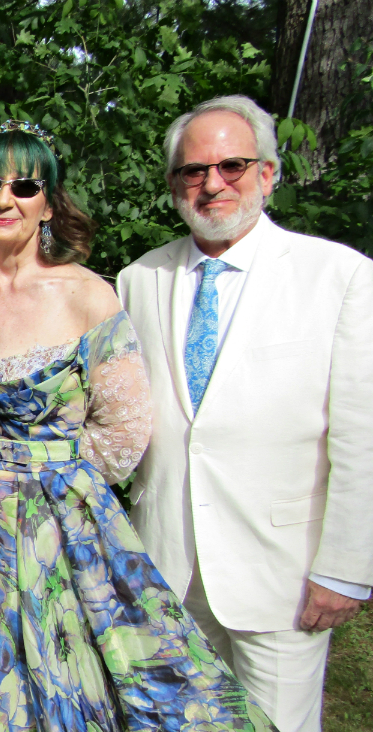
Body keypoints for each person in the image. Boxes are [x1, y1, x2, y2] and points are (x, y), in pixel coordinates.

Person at [0, 121, 277, 730]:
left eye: (24, 185)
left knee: (55, 679)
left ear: (48, 202)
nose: (4, 199)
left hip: (56, 526)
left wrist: (50, 491)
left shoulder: (89, 297)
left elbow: (123, 431)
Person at [117, 95, 373, 732]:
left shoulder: (338, 277)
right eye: (192, 171)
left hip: (280, 576)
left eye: (231, 165)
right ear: (174, 183)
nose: (211, 184)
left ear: (267, 172)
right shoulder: (138, 280)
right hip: (165, 567)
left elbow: (362, 437)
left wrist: (346, 569)